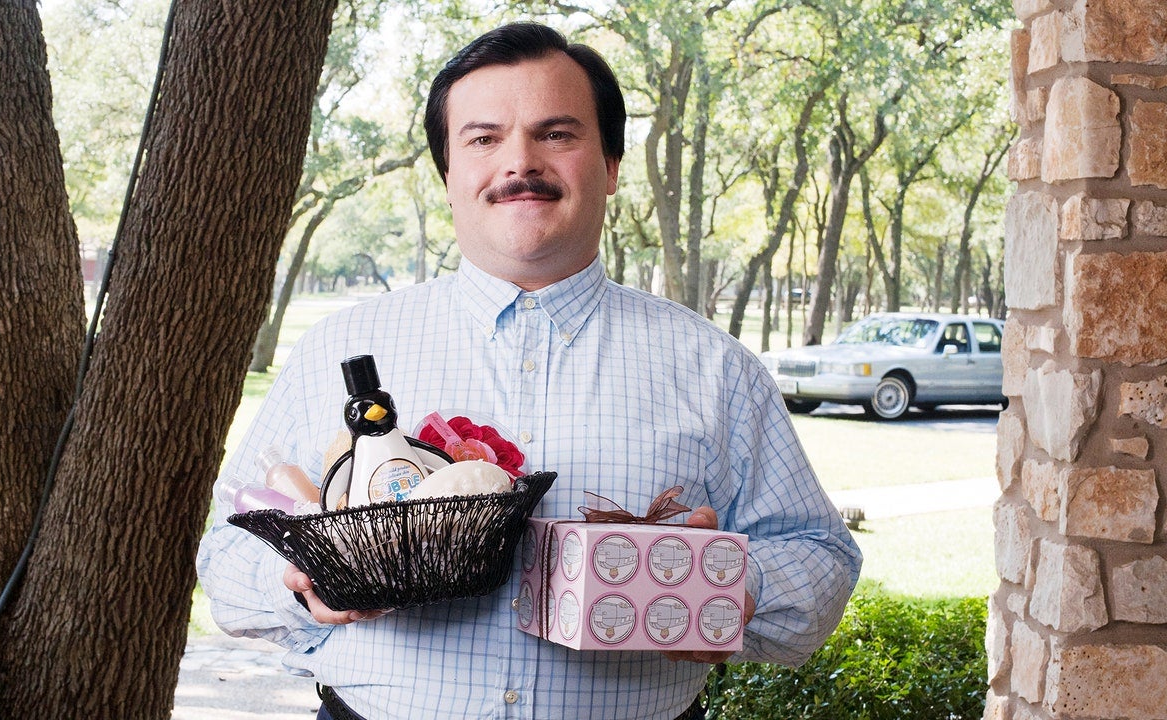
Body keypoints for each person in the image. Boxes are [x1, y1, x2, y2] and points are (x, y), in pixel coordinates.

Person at [197, 21, 861, 720]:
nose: (520, 162)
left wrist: (727, 584)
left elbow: (820, 554)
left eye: (557, 134)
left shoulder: (715, 368)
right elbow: (226, 554)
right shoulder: (338, 349)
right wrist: (301, 581)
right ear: (449, 174)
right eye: (484, 138)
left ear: (609, 166)